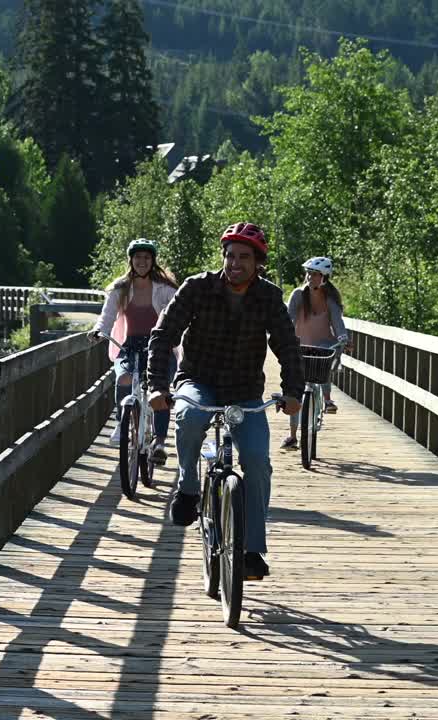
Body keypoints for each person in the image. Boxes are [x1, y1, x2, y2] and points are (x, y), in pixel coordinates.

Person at [147, 221, 304, 580]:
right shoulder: (197, 288)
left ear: (258, 262)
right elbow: (163, 335)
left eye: (244, 257)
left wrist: (293, 391)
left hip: (245, 390)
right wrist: (157, 385)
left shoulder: (268, 296)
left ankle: (251, 552)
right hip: (198, 380)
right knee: (187, 414)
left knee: (257, 463)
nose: (234, 263)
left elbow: (287, 345)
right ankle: (187, 488)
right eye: (230, 255)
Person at [89, 238, 179, 464]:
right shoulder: (120, 288)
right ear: (131, 260)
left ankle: (159, 442)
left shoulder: (166, 289)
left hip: (159, 346)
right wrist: (98, 331)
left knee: (160, 391)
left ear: (152, 261)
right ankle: (122, 423)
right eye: (138, 257)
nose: (142, 261)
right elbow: (106, 317)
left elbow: (178, 315)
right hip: (129, 345)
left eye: (147, 258)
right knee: (124, 379)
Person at [282, 256, 350, 449]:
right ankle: (293, 435)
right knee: (296, 389)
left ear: (324, 278)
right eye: (309, 273)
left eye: (315, 274)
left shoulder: (331, 300)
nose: (310, 277)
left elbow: (338, 322)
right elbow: (289, 319)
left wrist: (343, 338)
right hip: (300, 345)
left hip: (323, 344)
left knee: (326, 358)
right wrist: (285, 336)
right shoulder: (298, 295)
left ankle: (327, 400)